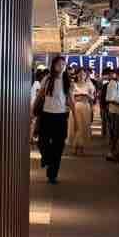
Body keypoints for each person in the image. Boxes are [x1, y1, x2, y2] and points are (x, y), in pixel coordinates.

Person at [36, 55, 71, 184]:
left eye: (63, 64)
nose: (61, 66)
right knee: (42, 142)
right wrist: (33, 110)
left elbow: (70, 100)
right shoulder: (47, 79)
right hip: (46, 115)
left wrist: (76, 117)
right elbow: (40, 96)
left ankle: (52, 175)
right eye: (59, 64)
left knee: (58, 147)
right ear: (54, 66)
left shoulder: (67, 81)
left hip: (61, 117)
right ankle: (47, 158)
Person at [69, 67, 94, 156]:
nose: (81, 75)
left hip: (85, 106)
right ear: (76, 75)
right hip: (76, 107)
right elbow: (70, 97)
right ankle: (74, 147)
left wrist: (87, 96)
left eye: (83, 74)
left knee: (84, 128)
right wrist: (76, 99)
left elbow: (92, 97)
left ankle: (81, 148)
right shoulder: (73, 84)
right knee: (75, 127)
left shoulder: (89, 85)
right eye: (80, 74)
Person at [105, 66, 119, 162]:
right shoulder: (113, 83)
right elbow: (110, 99)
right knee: (114, 133)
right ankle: (111, 153)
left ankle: (116, 153)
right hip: (115, 112)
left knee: (118, 134)